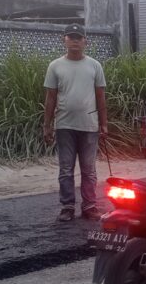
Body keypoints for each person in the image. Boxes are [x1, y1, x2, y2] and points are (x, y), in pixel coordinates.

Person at [42, 24, 108, 222]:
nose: (75, 41)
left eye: (79, 37)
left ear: (85, 41)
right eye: (71, 37)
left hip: (89, 125)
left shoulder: (94, 65)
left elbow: (101, 96)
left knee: (89, 169)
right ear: (64, 40)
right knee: (65, 169)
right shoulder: (55, 66)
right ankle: (67, 206)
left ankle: (89, 206)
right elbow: (50, 98)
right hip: (64, 125)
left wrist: (104, 123)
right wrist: (47, 125)